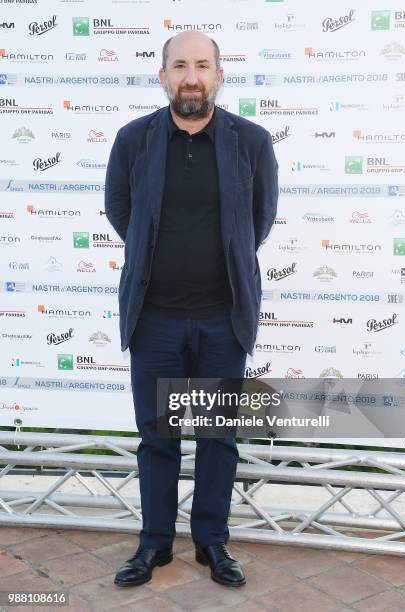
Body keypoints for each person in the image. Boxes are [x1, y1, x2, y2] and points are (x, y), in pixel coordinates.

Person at [105, 30, 278, 588]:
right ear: (163, 76)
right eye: (179, 66)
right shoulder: (134, 140)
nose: (191, 77)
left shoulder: (250, 141)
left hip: (222, 318)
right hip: (153, 318)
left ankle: (211, 543)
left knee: (216, 437)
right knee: (157, 437)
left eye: (202, 65)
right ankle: (154, 544)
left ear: (219, 75)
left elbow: (261, 217)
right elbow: (119, 208)